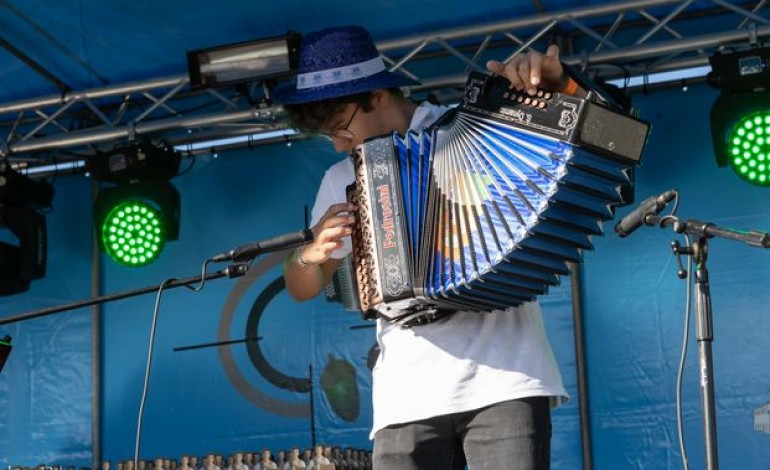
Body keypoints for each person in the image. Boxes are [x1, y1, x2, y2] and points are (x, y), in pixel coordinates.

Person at [276, 25, 580, 470]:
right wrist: (309, 255)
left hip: (504, 377)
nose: (340, 145)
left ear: (377, 95)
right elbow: (301, 287)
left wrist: (553, 89)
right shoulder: (340, 179)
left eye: (342, 128)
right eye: (330, 138)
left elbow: (568, 131)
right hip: (406, 396)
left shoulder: (472, 130)